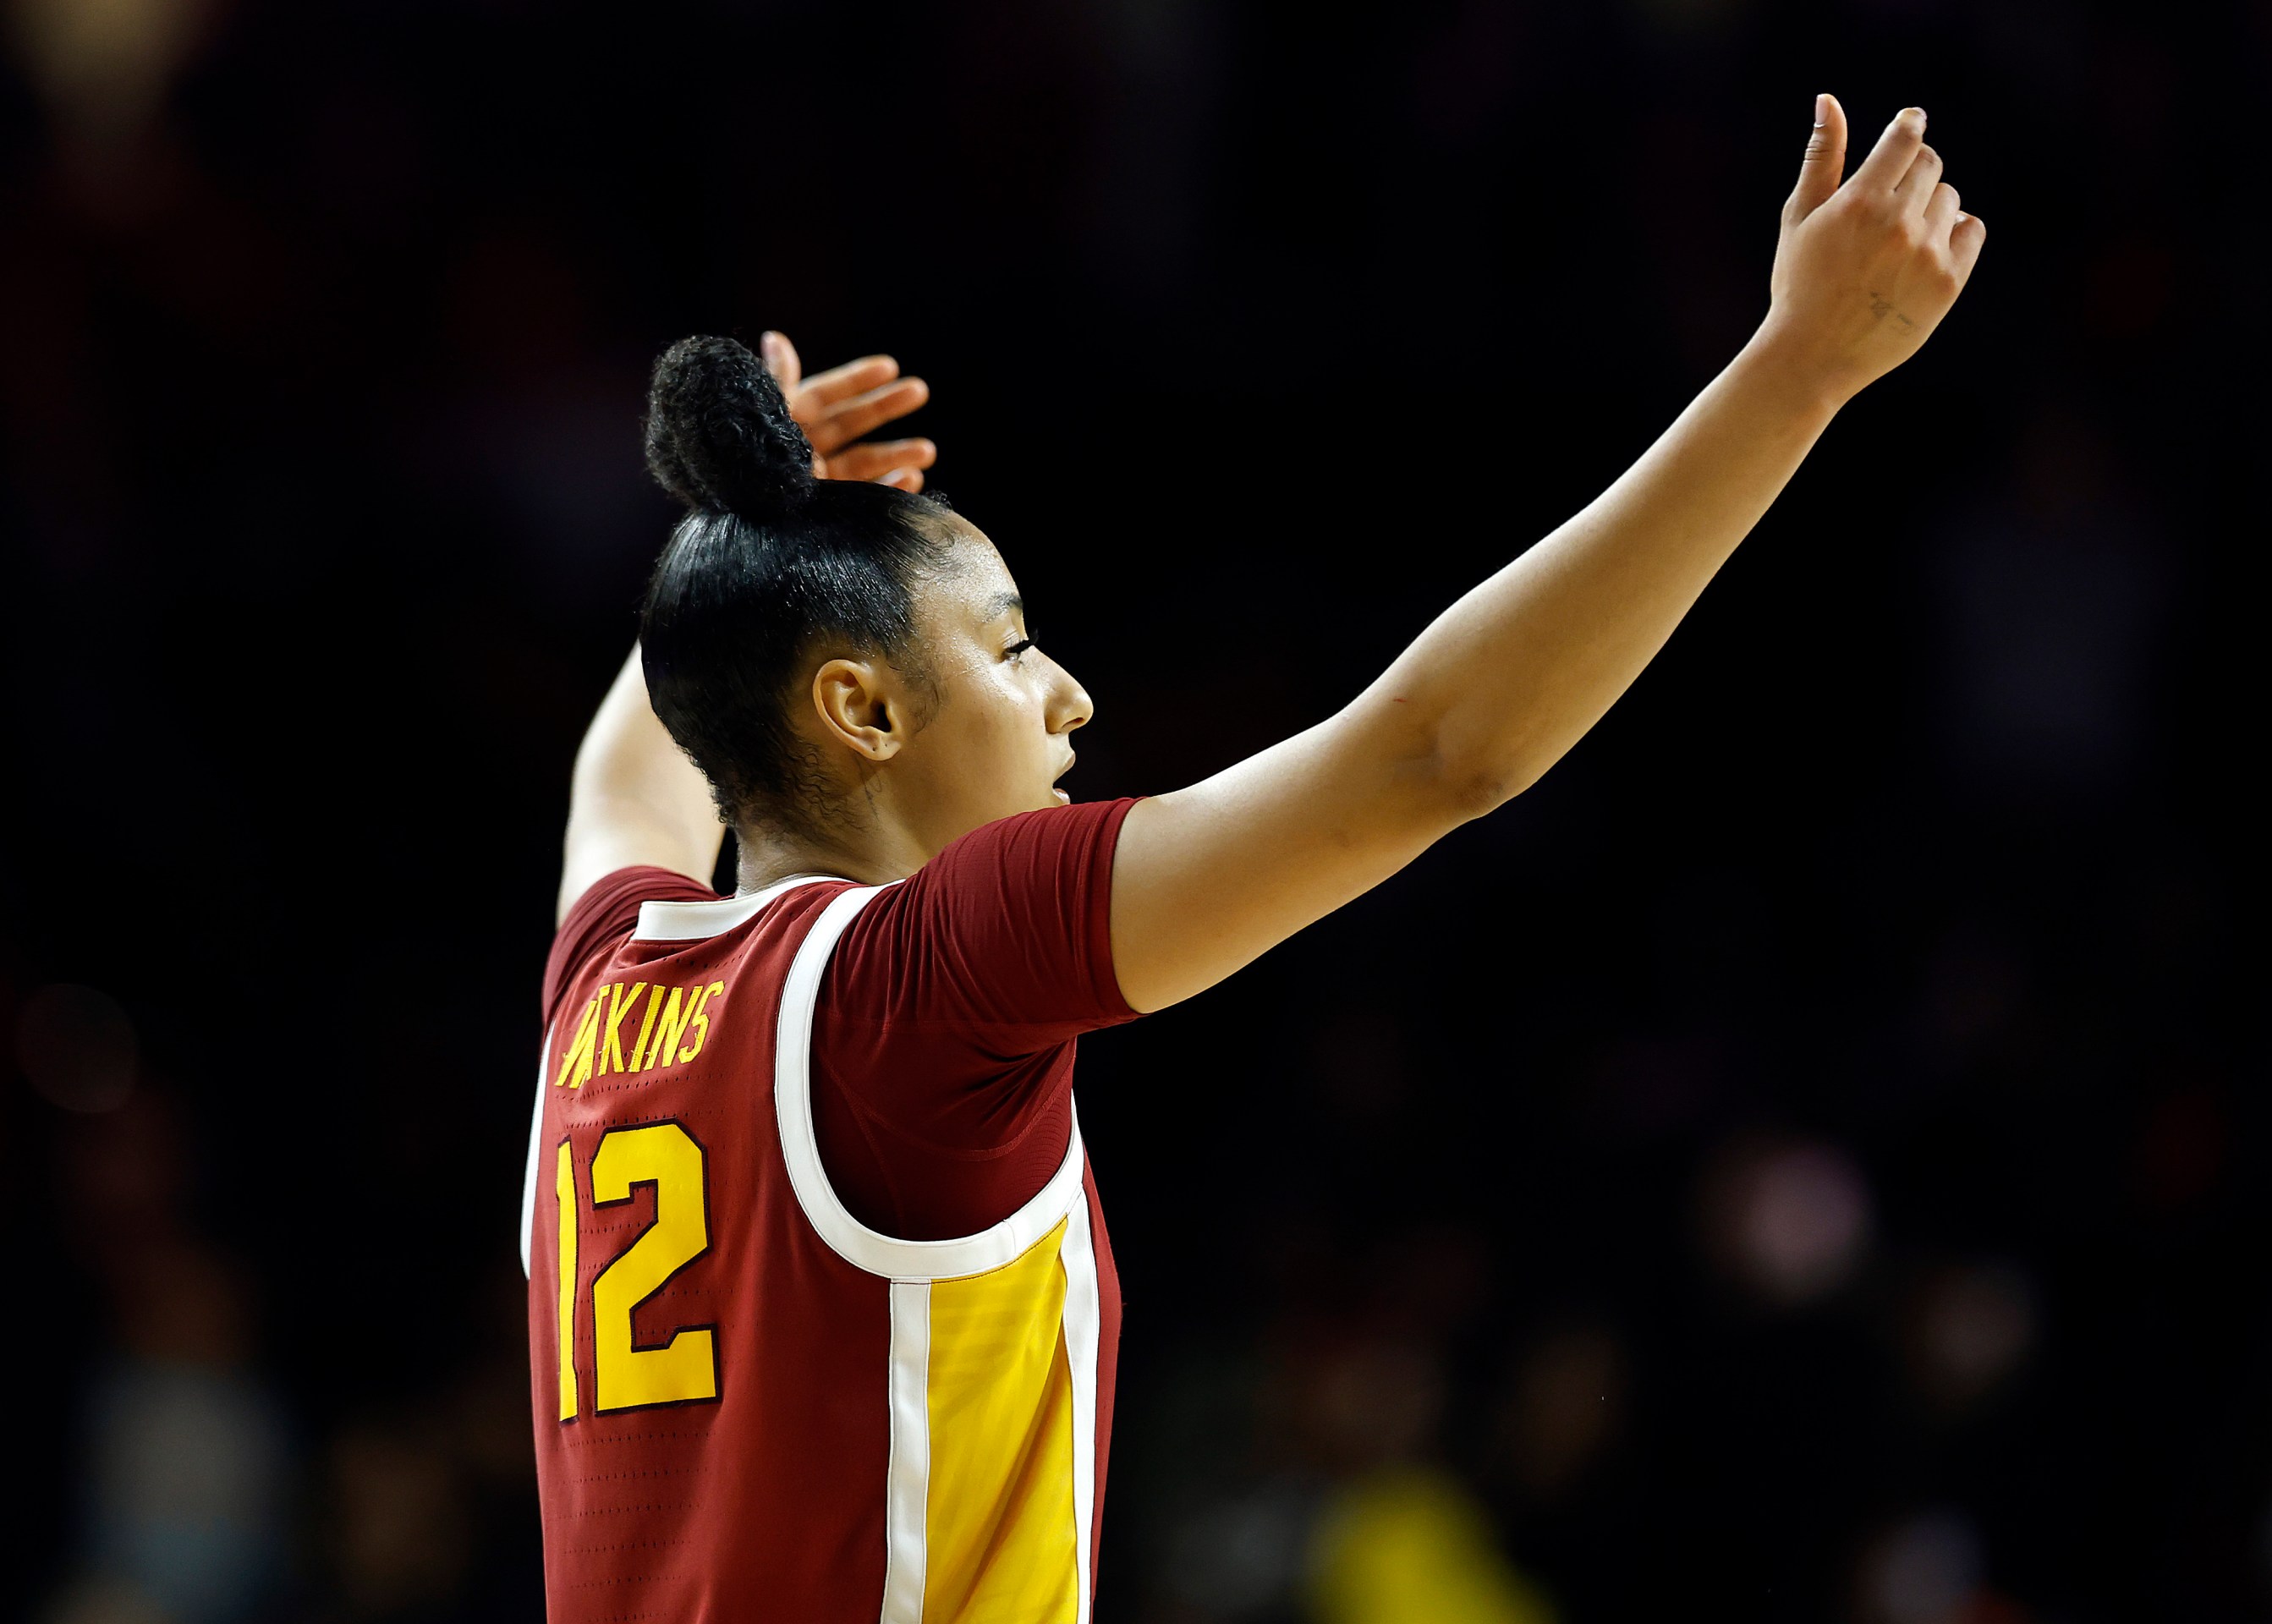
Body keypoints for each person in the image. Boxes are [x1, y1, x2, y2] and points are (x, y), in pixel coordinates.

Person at [522, 96, 1984, 1624]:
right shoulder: (924, 982)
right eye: (1013, 644)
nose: (1068, 695)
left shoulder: (603, 988)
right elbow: (1435, 754)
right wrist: (1799, 373)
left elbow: (630, 762)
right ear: (863, 707)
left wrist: (755, 551)